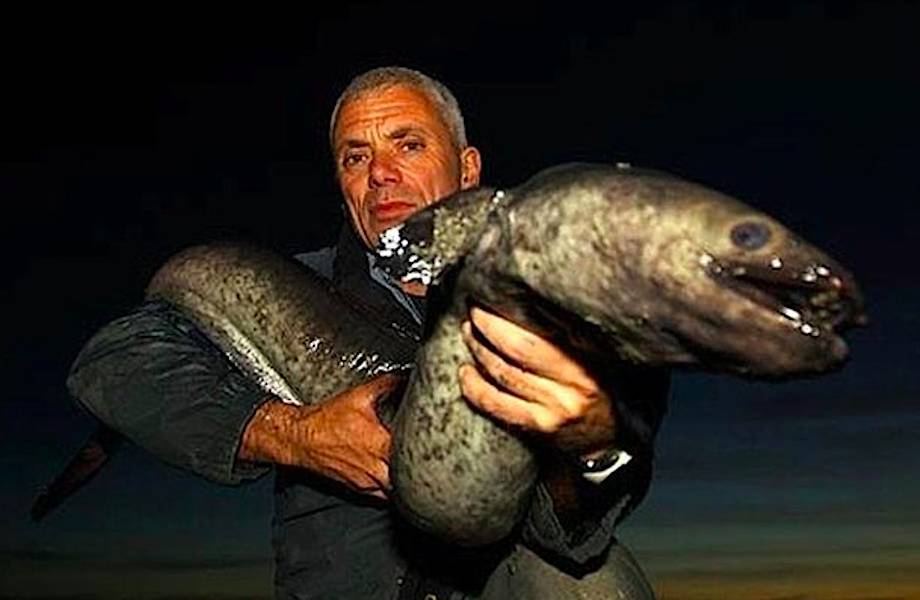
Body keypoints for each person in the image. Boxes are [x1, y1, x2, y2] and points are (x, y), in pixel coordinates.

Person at [66, 66, 669, 599]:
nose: (380, 172)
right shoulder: (286, 288)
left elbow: (563, 528)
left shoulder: (544, 316)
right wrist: (294, 434)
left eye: (409, 145)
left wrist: (591, 445)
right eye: (355, 157)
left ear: (467, 169)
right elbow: (113, 359)